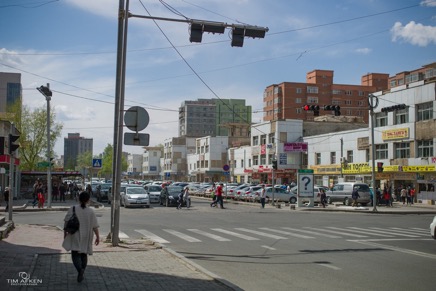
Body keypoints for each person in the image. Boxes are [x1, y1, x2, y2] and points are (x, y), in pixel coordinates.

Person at [62, 191, 100, 283]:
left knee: (75, 254)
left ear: (79, 199)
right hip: (87, 235)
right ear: (88, 200)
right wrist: (98, 237)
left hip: (75, 235)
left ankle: (80, 270)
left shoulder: (73, 208)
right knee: (84, 254)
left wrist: (65, 235)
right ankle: (82, 270)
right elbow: (95, 226)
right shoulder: (91, 211)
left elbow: (66, 223)